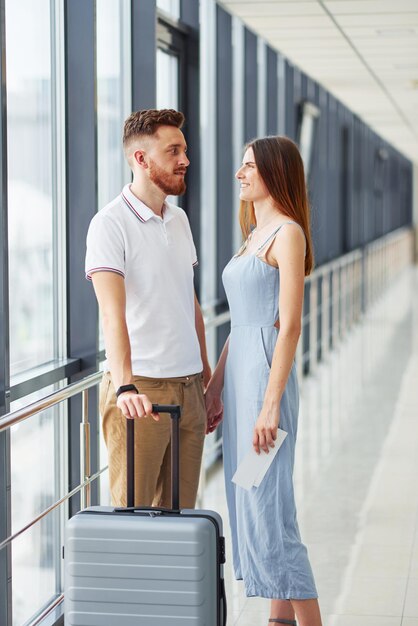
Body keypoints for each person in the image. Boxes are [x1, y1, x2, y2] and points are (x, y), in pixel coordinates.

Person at [205, 136, 323, 626]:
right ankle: (278, 620)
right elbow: (242, 321)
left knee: (269, 509)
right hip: (240, 378)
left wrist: (270, 405)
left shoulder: (287, 234)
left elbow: (289, 324)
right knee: (252, 502)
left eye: (250, 166)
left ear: (275, 172)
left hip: (264, 384)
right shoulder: (253, 233)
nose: (240, 173)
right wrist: (215, 386)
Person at [85, 108, 211, 509]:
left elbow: (188, 302)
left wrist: (206, 379)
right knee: (134, 523)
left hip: (189, 390)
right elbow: (111, 313)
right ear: (141, 159)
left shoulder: (179, 220)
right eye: (173, 150)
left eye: (184, 149)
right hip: (141, 391)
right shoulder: (110, 224)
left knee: (181, 519)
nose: (185, 159)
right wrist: (124, 385)